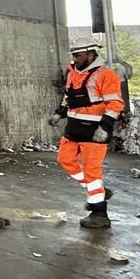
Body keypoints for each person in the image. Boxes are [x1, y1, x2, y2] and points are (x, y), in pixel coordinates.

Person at [47, 35, 124, 229]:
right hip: (73, 128)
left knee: (92, 171)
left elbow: (115, 104)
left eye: (79, 55)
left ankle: (99, 212)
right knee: (65, 160)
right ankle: (97, 189)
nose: (75, 59)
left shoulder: (106, 75)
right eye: (74, 55)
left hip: (94, 131)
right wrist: (59, 114)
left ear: (91, 54)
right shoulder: (72, 72)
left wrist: (104, 127)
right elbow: (68, 96)